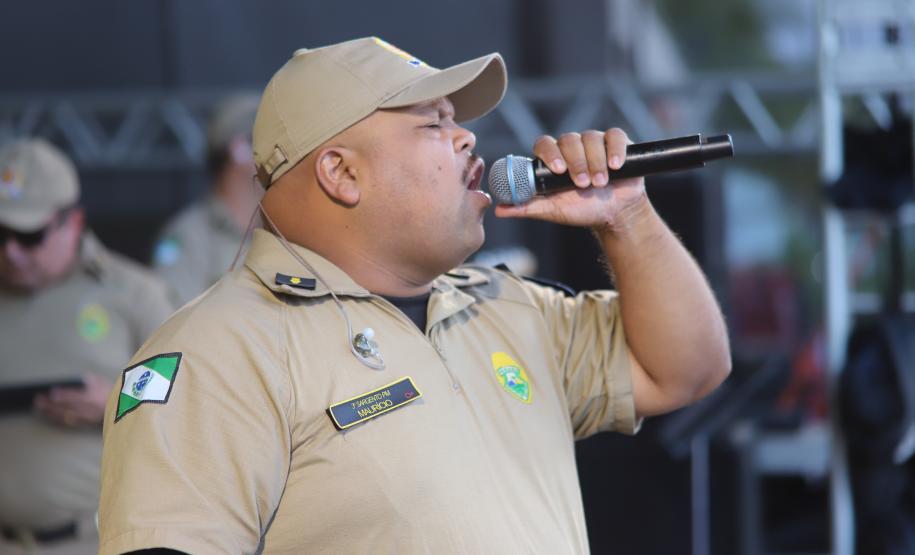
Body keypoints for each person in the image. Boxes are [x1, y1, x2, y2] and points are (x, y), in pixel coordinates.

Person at [98, 37, 731, 554]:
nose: (467, 140)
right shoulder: (222, 350)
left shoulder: (504, 305)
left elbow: (684, 368)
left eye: (458, 123)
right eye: (433, 124)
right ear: (342, 173)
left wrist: (625, 217)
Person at [0, 139, 175, 555]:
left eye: (29, 235)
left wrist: (116, 402)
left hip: (92, 543)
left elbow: (193, 400)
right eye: (0, 233)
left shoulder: (135, 295)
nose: (10, 252)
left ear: (73, 223)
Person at [151, 94, 261, 306]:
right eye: (268, 142)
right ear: (239, 149)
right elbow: (172, 321)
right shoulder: (187, 236)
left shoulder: (281, 229)